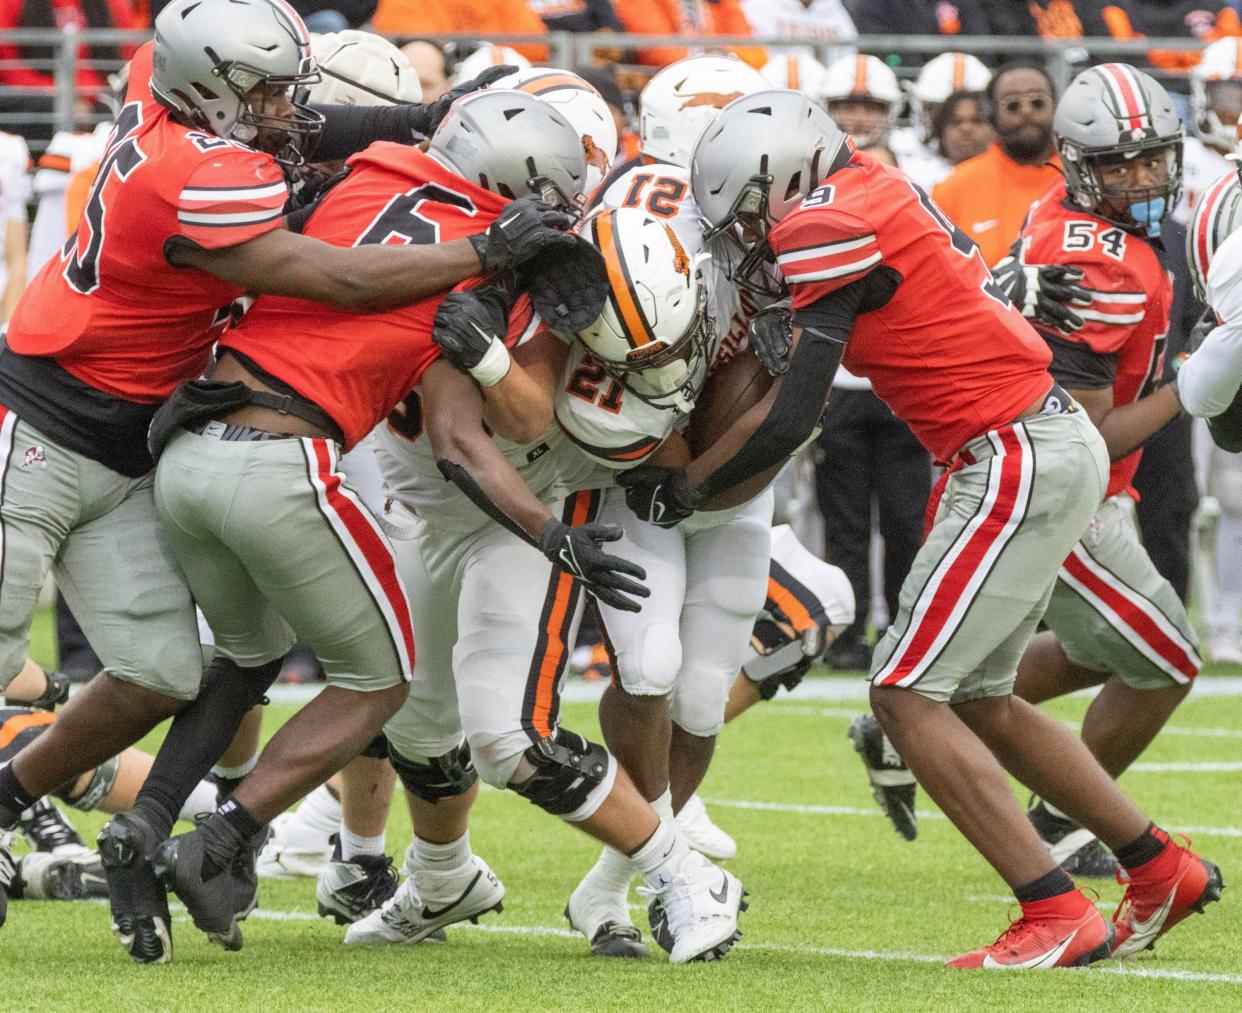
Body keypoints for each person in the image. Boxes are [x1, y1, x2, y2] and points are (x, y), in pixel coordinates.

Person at [0, 0, 560, 951]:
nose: (284, 107)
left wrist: (408, 123)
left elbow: (313, 139)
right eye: (259, 91)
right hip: (41, 435)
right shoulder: (199, 175)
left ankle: (10, 798)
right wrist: (484, 250)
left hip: (134, 449)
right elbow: (335, 276)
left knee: (160, 672)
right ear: (207, 91)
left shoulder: (157, 86)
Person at [627, 86, 1223, 967]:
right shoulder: (873, 179)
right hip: (1029, 439)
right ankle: (1156, 865)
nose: (756, 234)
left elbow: (797, 411)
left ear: (783, 179)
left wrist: (688, 487)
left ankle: (1052, 909)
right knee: (979, 698)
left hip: (1010, 448)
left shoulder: (820, 221)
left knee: (904, 694)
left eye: (755, 212)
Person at [147, 87, 655, 957]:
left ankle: (155, 826)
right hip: (286, 460)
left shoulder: (364, 176)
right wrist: (548, 532)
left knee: (243, 659)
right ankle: (226, 838)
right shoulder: (469, 269)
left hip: (186, 445)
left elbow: (279, 234)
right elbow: (467, 439)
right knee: (381, 681)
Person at [933, 61, 1063, 268]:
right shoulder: (955, 186)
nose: (1026, 111)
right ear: (991, 114)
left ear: (1055, 107)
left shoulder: (1082, 179)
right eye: (1012, 104)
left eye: (1037, 102)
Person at [888, 52, 991, 191]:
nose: (965, 128)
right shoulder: (898, 153)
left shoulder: (1009, 159)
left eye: (976, 118)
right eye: (944, 113)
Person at [740, 0, 856, 65]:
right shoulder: (757, 6)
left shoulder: (837, 10)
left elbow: (848, 58)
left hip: (824, 94)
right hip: (773, 89)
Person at [931, 90, 995, 168]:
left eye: (976, 121)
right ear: (941, 133)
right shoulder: (925, 177)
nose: (966, 129)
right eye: (956, 122)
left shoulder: (1010, 176)